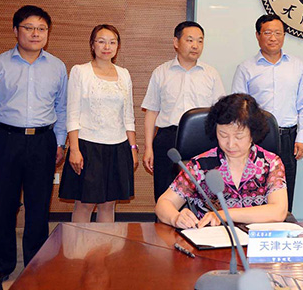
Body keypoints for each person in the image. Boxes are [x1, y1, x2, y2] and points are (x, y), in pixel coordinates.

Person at [0, 5, 68, 282]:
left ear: (48, 33)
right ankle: (0, 265)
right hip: (6, 140)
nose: (36, 34)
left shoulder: (58, 67)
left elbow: (62, 108)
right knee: (3, 205)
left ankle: (37, 264)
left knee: (39, 207)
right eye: (29, 27)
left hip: (43, 141)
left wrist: (60, 142)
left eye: (42, 29)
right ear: (15, 30)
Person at [155, 93, 288, 228]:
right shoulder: (200, 165)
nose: (230, 144)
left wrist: (224, 214)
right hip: (209, 237)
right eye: (223, 135)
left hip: (254, 238)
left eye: (239, 137)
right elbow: (164, 203)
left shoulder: (270, 163)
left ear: (253, 134)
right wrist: (175, 218)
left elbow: (278, 212)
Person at [231, 14, 303, 212]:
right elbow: (238, 109)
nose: (273, 38)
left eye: (278, 33)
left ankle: (284, 224)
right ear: (258, 35)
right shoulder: (246, 68)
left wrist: (302, 138)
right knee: (255, 189)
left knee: (285, 190)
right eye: (267, 33)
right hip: (257, 138)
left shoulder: (296, 66)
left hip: (288, 138)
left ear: (284, 36)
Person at [58, 24, 137, 222]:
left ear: (118, 46)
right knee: (84, 204)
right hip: (88, 146)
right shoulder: (80, 71)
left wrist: (133, 148)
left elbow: (128, 115)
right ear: (92, 45)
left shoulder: (124, 74)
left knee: (109, 204)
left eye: (112, 42)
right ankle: (78, 243)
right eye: (101, 42)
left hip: (118, 146)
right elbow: (72, 114)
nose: (107, 47)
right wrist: (74, 149)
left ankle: (103, 243)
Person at [142, 21, 225, 202]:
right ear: (176, 42)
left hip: (202, 139)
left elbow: (221, 114)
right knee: (165, 193)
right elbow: (151, 112)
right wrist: (148, 148)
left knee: (201, 195)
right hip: (168, 139)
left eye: (200, 41)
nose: (195, 45)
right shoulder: (161, 72)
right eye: (190, 40)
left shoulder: (211, 74)